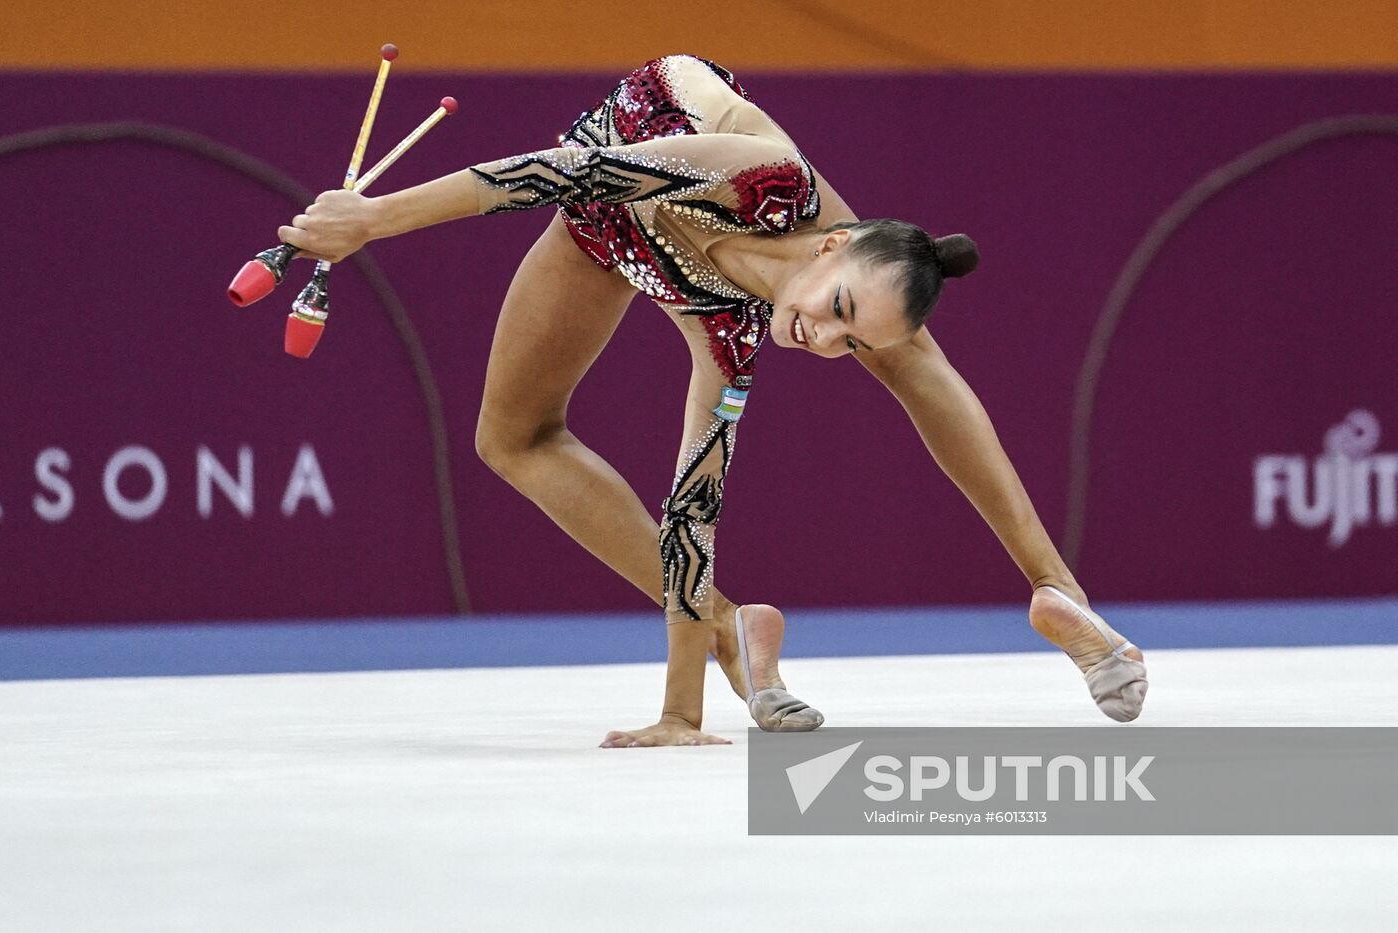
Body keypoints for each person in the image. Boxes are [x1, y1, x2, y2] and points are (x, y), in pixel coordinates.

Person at [277, 54, 1148, 747]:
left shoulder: (735, 339)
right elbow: (550, 174)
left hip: (660, 253)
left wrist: (680, 713)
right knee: (511, 437)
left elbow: (693, 509)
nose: (825, 341)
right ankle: (770, 625)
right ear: (830, 244)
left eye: (849, 342)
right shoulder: (766, 179)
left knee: (900, 346)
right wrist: (372, 219)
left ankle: (1042, 596)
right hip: (622, 169)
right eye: (836, 311)